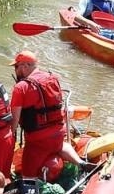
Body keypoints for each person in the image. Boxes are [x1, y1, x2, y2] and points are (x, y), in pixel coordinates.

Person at [9, 51, 69, 180]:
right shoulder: (53, 78)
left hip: (38, 141)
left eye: (16, 67)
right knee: (58, 147)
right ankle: (80, 163)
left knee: (27, 177)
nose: (15, 71)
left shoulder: (21, 87)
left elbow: (14, 121)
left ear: (24, 66)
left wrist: (9, 139)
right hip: (59, 134)